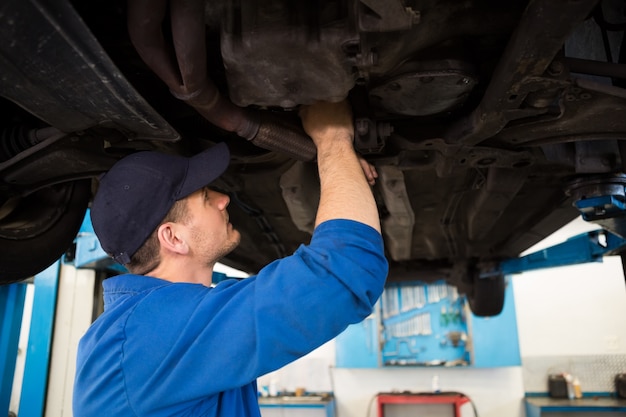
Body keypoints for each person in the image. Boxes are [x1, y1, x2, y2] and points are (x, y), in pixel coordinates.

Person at [73, 100, 388, 416]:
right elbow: (345, 271)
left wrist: (342, 174)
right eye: (208, 198)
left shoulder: (143, 326)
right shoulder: (152, 335)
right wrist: (333, 140)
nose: (224, 200)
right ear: (173, 238)